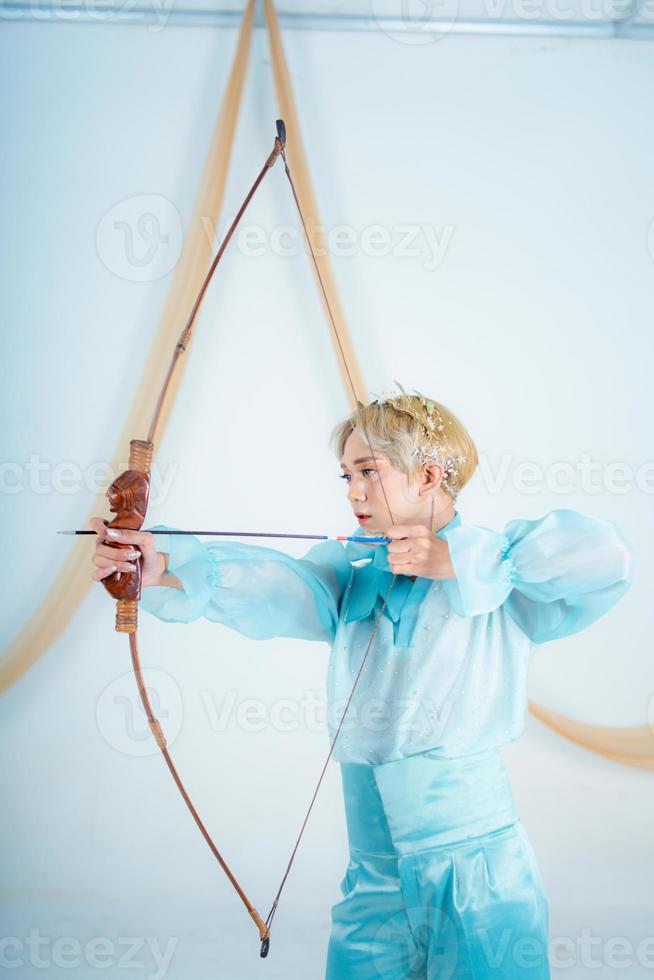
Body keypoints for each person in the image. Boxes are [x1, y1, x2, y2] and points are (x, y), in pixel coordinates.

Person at [89, 387, 634, 979]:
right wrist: (164, 567)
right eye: (346, 475)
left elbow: (608, 560)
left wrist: (464, 561)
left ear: (428, 475)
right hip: (373, 870)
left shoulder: (499, 576)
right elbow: (280, 585)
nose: (353, 492)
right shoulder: (353, 572)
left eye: (368, 471)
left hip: (475, 871)